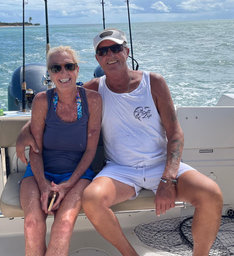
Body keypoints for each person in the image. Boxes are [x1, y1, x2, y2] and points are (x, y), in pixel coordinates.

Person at [17, 29, 223, 256]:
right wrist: (24, 131)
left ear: (126, 51)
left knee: (211, 193)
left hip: (160, 165)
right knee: (92, 199)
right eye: (103, 51)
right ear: (97, 58)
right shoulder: (94, 89)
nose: (110, 55)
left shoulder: (153, 82)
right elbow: (59, 100)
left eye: (115, 48)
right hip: (121, 170)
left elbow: (175, 134)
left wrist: (168, 178)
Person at [19, 46, 102, 256]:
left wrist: (66, 186)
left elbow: (91, 150)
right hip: (40, 173)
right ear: (49, 73)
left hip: (78, 175)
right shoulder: (41, 100)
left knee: (63, 225)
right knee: (32, 224)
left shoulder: (93, 100)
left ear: (77, 69)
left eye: (69, 66)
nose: (63, 73)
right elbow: (35, 151)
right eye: (56, 68)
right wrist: (44, 186)